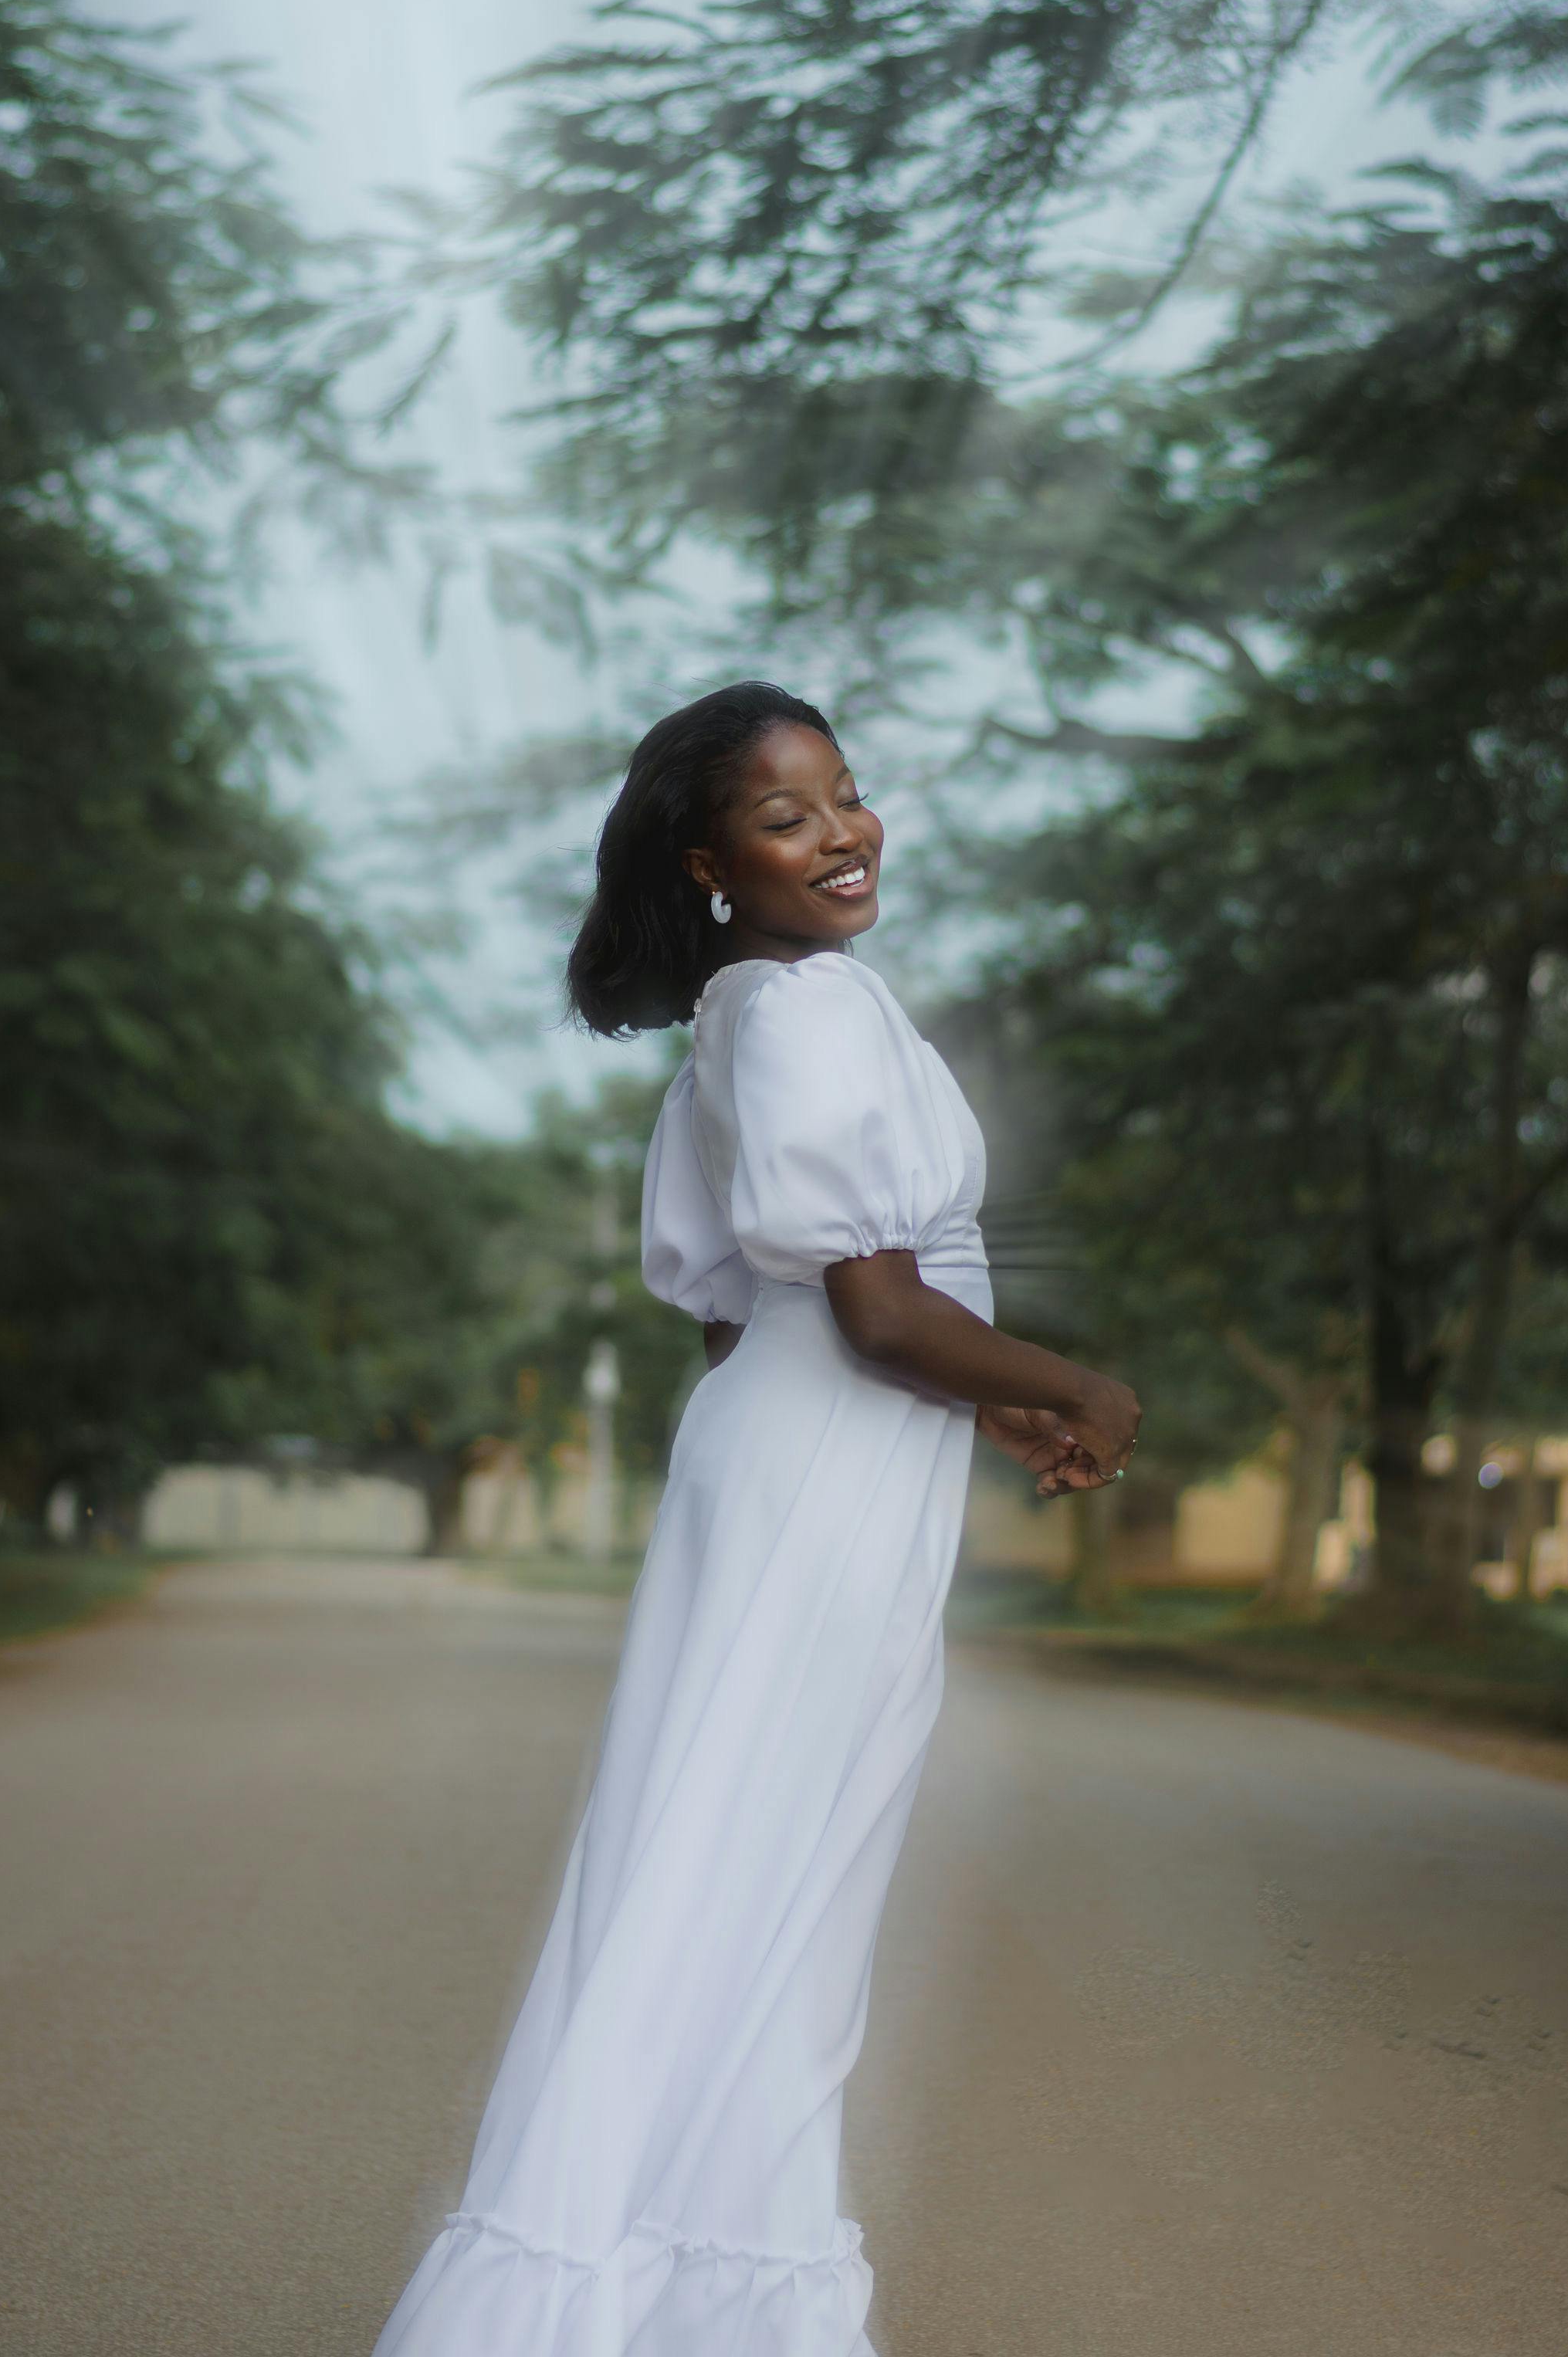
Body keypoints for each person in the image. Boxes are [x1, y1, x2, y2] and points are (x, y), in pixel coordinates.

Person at [372, 681, 1139, 2357]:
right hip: (823, 1475)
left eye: (846, 794)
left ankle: (694, 2286)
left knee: (742, 1870)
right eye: (789, 818)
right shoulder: (792, 1014)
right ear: (711, 866)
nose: (843, 834)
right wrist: (1080, 1387)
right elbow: (872, 1310)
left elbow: (762, 1320)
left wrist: (980, 1392)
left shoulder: (771, 1007)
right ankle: (613, 2289)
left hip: (805, 1456)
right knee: (753, 1879)